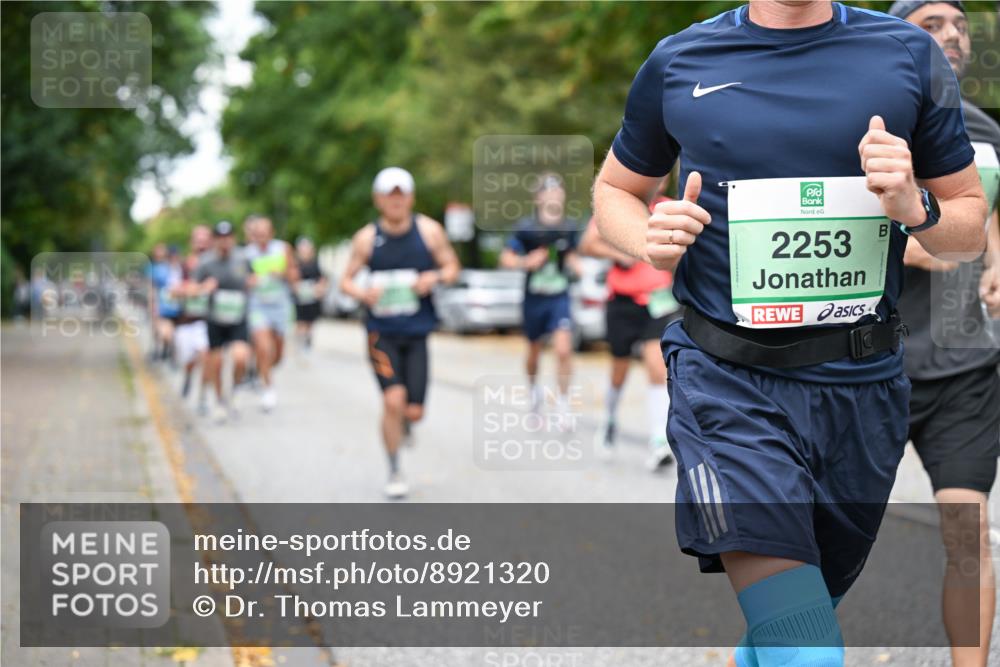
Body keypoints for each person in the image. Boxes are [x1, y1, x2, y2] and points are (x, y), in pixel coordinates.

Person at [592, 2, 988, 666]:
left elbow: (969, 227)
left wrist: (914, 205)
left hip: (862, 391)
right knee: (807, 650)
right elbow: (615, 190)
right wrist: (647, 238)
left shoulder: (907, 55)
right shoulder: (681, 59)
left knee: (793, 622)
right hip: (728, 382)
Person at [890, 2, 1000, 665]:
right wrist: (925, 243)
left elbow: (991, 212)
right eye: (932, 23)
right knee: (824, 535)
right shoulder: (869, 119)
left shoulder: (986, 128)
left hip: (965, 356)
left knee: (969, 531)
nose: (953, 35)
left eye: (960, 25)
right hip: (873, 356)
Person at [340, 167, 460, 499]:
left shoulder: (430, 232)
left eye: (401, 194)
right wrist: (362, 294)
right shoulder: (366, 238)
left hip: (417, 332)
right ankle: (394, 468)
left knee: (414, 411)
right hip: (382, 333)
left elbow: (452, 267)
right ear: (378, 200)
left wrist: (432, 278)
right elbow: (345, 281)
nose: (396, 201)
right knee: (393, 401)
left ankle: (406, 422)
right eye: (389, 195)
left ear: (411, 197)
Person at [579, 186, 678, 470]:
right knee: (619, 371)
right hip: (622, 302)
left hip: (658, 301)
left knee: (657, 367)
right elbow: (587, 244)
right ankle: (609, 419)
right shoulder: (619, 206)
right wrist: (618, 251)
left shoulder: (667, 207)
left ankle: (659, 439)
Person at [498, 173, 582, 417]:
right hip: (534, 298)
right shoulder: (526, 228)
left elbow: (573, 255)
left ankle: (563, 404)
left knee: (564, 350)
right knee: (533, 352)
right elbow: (506, 258)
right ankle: (534, 394)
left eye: (558, 190)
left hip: (559, 296)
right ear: (538, 198)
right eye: (548, 190)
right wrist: (527, 261)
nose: (554, 194)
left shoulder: (569, 227)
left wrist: (578, 265)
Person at [194, 221, 253, 424]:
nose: (224, 242)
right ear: (215, 240)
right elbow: (194, 289)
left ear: (233, 239)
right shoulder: (205, 262)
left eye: (228, 237)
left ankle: (235, 390)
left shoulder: (243, 258)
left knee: (240, 357)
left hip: (238, 317)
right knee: (216, 363)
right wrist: (204, 287)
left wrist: (253, 282)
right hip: (215, 319)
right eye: (220, 238)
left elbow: (254, 278)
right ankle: (219, 401)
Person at [243, 215, 298, 412]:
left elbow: (294, 275)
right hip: (258, 307)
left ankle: (262, 370)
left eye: (264, 234)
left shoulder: (282, 249)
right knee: (264, 347)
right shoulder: (247, 254)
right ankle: (268, 389)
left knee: (277, 355)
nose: (260, 238)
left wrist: (282, 274)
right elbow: (240, 280)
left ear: (271, 234)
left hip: (280, 307)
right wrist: (248, 282)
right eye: (257, 235)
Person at [173, 225, 212, 413]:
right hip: (185, 322)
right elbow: (173, 290)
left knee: (205, 356)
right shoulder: (181, 265)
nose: (202, 244)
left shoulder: (215, 265)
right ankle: (188, 375)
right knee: (189, 360)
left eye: (205, 240)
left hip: (206, 321)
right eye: (198, 240)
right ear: (192, 242)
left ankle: (203, 397)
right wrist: (195, 289)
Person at [293, 236, 328, 351]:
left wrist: (320, 288)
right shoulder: (295, 265)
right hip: (300, 299)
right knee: (300, 321)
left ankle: (306, 341)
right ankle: (300, 343)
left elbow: (322, 278)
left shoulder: (315, 264)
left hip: (312, 299)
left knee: (309, 322)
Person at [149, 243, 183, 363]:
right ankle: (165, 351)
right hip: (164, 308)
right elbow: (153, 289)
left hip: (180, 309)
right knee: (166, 333)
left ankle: (170, 353)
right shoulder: (159, 269)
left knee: (175, 335)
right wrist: (153, 306)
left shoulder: (182, 269)